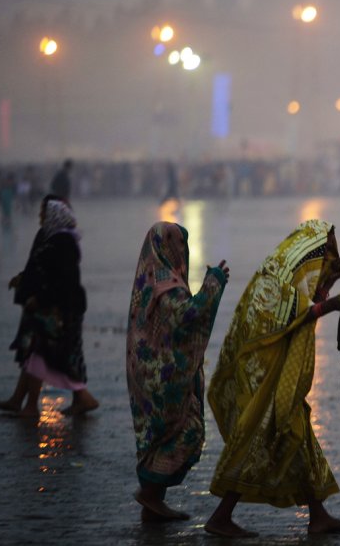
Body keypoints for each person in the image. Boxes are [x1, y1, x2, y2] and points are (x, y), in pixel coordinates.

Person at [205, 220, 340, 538]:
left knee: (298, 434)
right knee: (260, 437)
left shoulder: (284, 273)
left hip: (277, 374)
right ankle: (221, 516)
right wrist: (333, 304)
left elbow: (306, 300)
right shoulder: (275, 280)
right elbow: (290, 315)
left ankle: (318, 516)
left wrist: (333, 300)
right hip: (264, 377)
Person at [126, 223, 229, 522]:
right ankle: (150, 494)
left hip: (145, 371)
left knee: (157, 435)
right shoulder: (164, 281)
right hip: (162, 375)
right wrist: (213, 283)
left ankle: (153, 502)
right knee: (187, 429)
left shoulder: (149, 277)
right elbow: (188, 315)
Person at [0, 197, 98, 417]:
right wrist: (24, 281)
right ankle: (22, 400)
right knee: (42, 354)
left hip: (57, 308)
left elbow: (60, 279)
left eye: (44, 214)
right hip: (52, 307)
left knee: (42, 355)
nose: (40, 217)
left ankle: (31, 405)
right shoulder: (52, 238)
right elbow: (39, 269)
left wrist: (40, 298)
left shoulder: (62, 243)